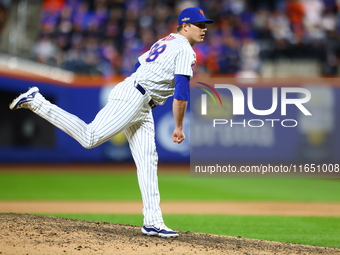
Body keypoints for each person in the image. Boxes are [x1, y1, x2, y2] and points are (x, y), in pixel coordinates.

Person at [9, 7, 214, 238]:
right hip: (135, 96)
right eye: (199, 24)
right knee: (90, 138)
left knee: (147, 160)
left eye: (205, 24)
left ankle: (153, 221)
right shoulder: (185, 48)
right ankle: (37, 101)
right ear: (185, 26)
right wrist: (178, 127)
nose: (204, 29)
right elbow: (181, 91)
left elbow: (139, 66)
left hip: (141, 99)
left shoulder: (166, 41)